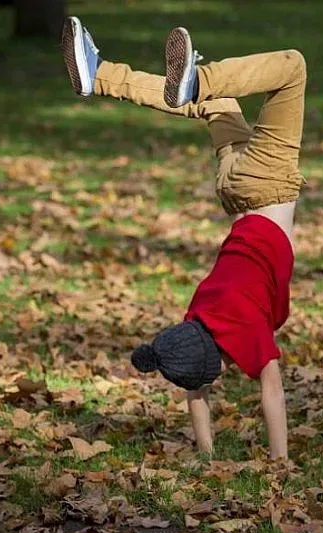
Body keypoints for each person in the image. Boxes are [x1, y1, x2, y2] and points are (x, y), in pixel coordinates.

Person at [61, 17, 307, 460]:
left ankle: (197, 79)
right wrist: (205, 457)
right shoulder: (199, 311)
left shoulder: (246, 330)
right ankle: (99, 77)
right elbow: (195, 385)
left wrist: (280, 462)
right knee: (215, 103)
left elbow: (270, 391)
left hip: (266, 187)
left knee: (292, 68)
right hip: (231, 190)